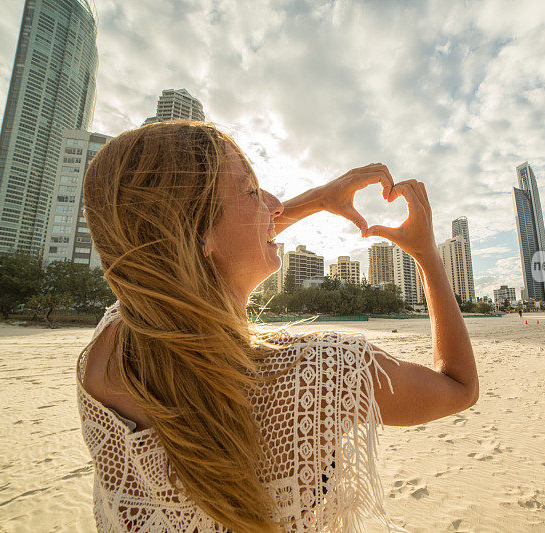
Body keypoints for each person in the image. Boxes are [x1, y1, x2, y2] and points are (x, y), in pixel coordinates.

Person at [76, 121, 478, 532]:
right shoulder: (323, 374)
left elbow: (195, 253)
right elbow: (459, 386)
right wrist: (427, 254)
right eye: (252, 191)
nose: (274, 204)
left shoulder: (107, 353)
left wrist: (319, 200)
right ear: (194, 235)